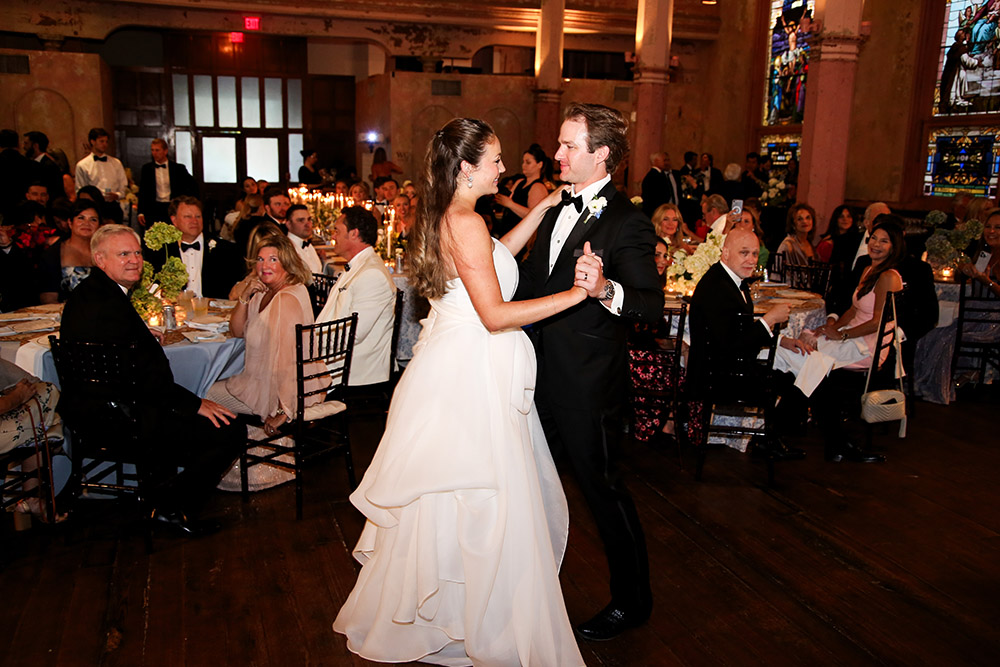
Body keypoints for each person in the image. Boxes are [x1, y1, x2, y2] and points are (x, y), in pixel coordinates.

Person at [334, 118, 588, 665]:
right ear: (468, 167)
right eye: (495, 158)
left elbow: (492, 257)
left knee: (449, 499)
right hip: (470, 371)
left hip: (452, 363)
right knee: (480, 496)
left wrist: (541, 211)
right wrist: (574, 295)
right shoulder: (466, 221)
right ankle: (477, 615)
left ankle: (445, 612)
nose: (504, 166)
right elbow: (494, 314)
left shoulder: (455, 216)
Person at [517, 102, 665, 641]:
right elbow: (534, 285)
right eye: (559, 144)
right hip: (537, 377)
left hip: (587, 385)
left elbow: (651, 305)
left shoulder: (628, 219)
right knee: (527, 486)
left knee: (602, 492)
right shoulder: (557, 211)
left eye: (568, 146)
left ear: (601, 154)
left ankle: (633, 600)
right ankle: (525, 590)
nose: (557, 154)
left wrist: (604, 289)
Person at [59, 224, 246, 536]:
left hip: (94, 410)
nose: (134, 260)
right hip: (119, 418)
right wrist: (195, 404)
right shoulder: (107, 305)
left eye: (137, 252)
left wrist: (142, 335)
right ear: (99, 259)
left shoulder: (92, 294)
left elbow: (121, 354)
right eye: (123, 254)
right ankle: (170, 507)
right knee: (229, 430)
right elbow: (144, 379)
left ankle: (161, 494)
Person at [207, 234, 328, 491]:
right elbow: (237, 331)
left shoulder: (286, 298)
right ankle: (249, 458)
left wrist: (284, 411)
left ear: (287, 262)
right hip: (260, 380)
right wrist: (244, 298)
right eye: (261, 259)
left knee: (201, 394)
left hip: (272, 390)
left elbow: (289, 361)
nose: (265, 265)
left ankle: (228, 463)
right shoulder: (266, 292)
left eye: (273, 259)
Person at [686, 229, 808, 460]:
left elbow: (738, 330)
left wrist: (781, 340)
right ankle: (768, 441)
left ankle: (769, 439)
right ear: (726, 253)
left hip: (726, 366)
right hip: (715, 376)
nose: (751, 260)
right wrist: (769, 320)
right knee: (794, 382)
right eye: (744, 253)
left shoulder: (731, 281)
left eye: (754, 253)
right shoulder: (717, 287)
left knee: (799, 374)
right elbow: (730, 346)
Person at [807, 220, 905, 462]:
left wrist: (842, 335)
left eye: (884, 241)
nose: (876, 244)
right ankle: (836, 440)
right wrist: (832, 326)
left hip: (869, 343)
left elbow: (877, 322)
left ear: (894, 247)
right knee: (810, 346)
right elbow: (853, 308)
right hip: (854, 333)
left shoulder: (888, 276)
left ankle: (834, 438)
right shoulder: (868, 269)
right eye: (874, 238)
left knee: (814, 363)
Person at [915, 209, 1000, 403]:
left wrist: (985, 280)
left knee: (945, 337)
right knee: (930, 333)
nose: (991, 231)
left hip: (993, 320)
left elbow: (989, 285)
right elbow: (974, 281)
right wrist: (965, 270)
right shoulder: (985, 253)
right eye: (988, 226)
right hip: (975, 314)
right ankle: (937, 378)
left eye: (997, 227)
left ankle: (940, 383)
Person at [316, 206, 396, 387]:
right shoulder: (359, 266)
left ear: (354, 234)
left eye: (337, 231)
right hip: (338, 361)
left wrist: (312, 345)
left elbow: (354, 333)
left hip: (354, 372)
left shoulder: (372, 274)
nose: (333, 236)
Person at [146, 196, 243, 298]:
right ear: (174, 220)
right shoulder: (162, 251)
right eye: (188, 217)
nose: (194, 221)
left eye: (198, 216)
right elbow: (152, 287)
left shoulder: (225, 250)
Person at [39, 199, 100, 303]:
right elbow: (48, 298)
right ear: (70, 223)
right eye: (81, 218)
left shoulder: (105, 251)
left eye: (93, 219)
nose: (87, 223)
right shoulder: (54, 253)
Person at [494, 143, 552, 238]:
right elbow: (509, 198)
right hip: (509, 230)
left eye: (528, 162)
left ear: (539, 164)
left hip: (522, 236)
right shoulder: (520, 182)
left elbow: (535, 216)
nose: (523, 165)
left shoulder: (538, 187)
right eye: (523, 162)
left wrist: (510, 204)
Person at [137, 138, 196, 226]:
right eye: (152, 150)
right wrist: (141, 212)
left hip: (172, 207)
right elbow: (143, 191)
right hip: (154, 208)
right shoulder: (147, 169)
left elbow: (191, 186)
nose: (154, 153)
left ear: (165, 151)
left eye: (157, 150)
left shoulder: (178, 168)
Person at [74, 128, 128, 211]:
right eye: (101, 141)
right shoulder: (82, 165)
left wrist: (117, 195)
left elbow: (123, 185)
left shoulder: (116, 163)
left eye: (106, 141)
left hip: (113, 205)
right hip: (94, 206)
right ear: (93, 142)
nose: (105, 144)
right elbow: (80, 190)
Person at [22, 131, 64, 202]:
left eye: (26, 144)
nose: (24, 147)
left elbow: (54, 191)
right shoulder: (35, 163)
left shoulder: (48, 166)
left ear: (35, 146)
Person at [285, 204, 323, 275]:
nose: (307, 224)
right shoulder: (287, 249)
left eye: (309, 219)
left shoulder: (309, 246)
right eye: (301, 220)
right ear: (289, 224)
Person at [641, 151, 680, 218]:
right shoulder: (654, 176)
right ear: (656, 161)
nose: (665, 163)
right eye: (663, 160)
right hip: (657, 211)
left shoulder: (659, 174)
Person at [776, 201, 817, 266]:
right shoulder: (787, 245)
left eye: (808, 218)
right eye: (800, 219)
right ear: (793, 224)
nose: (805, 221)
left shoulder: (809, 243)